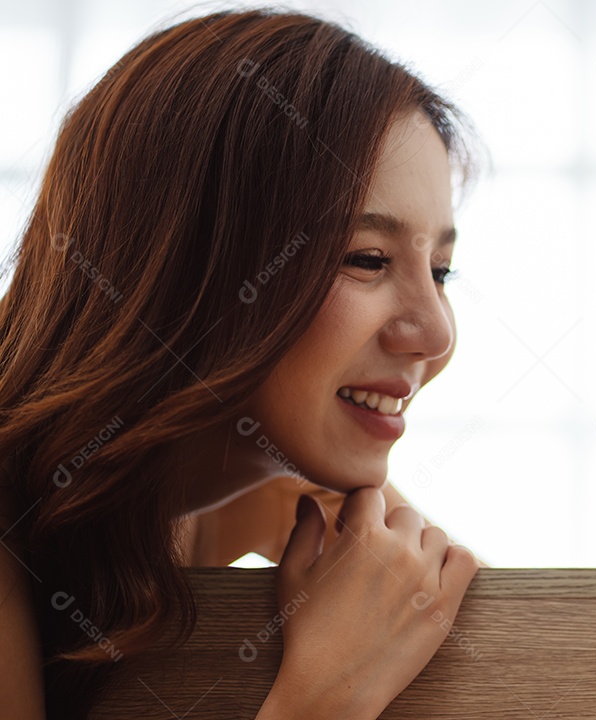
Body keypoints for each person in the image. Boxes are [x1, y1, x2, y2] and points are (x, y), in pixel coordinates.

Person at [0, 7, 481, 719]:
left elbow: (468, 620)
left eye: (440, 270)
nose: (434, 332)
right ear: (190, 265)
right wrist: (324, 701)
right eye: (367, 259)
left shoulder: (257, 492)